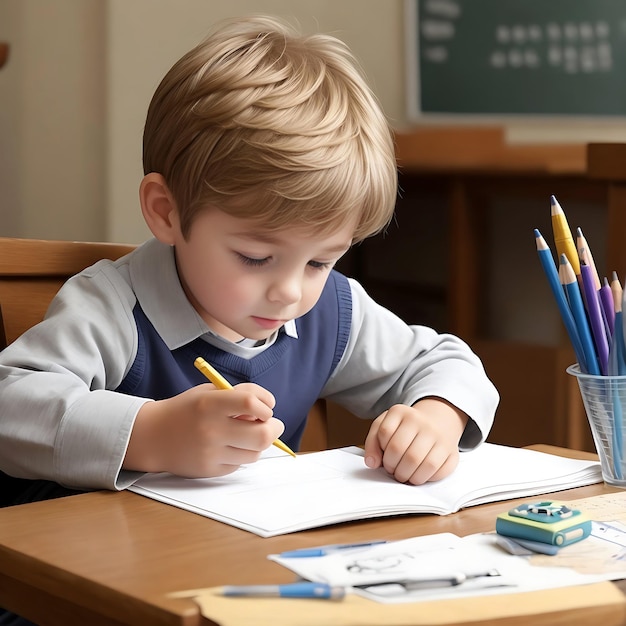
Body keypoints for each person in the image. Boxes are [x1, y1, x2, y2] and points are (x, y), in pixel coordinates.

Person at [0, 15, 498, 499]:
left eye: (320, 262)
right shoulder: (112, 307)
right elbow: (10, 409)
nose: (290, 291)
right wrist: (149, 434)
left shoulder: (331, 314)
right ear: (166, 212)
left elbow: (444, 360)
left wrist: (437, 414)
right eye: (256, 257)